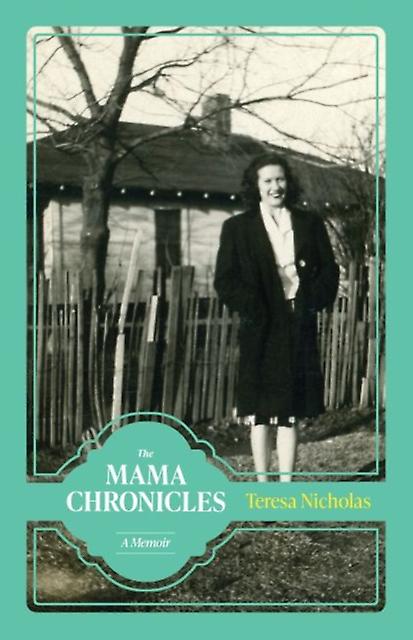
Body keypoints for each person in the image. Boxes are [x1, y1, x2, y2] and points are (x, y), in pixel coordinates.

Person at [214, 152, 339, 482]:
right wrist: (254, 306)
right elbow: (225, 281)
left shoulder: (309, 223)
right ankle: (262, 483)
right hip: (261, 327)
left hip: (298, 323)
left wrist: (310, 303)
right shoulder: (237, 228)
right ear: (255, 186)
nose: (275, 187)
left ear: (289, 183)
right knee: (259, 411)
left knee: (290, 411)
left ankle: (285, 486)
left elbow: (329, 271)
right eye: (267, 180)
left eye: (280, 179)